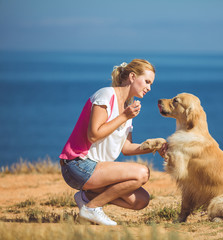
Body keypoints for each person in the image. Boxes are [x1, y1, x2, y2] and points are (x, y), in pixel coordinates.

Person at [59, 59, 164, 226]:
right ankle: (92, 208)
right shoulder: (106, 95)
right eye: (147, 81)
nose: (149, 87)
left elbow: (127, 149)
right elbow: (93, 135)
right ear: (132, 76)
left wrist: (155, 147)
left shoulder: (127, 107)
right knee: (142, 173)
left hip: (95, 169)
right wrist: (124, 116)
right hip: (77, 165)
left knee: (141, 200)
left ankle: (86, 198)